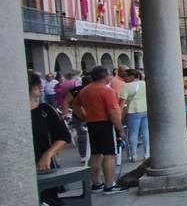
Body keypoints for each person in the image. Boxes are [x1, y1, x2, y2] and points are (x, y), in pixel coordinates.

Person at [72, 65, 126, 194]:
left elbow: (74, 105)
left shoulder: (85, 90)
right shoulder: (107, 91)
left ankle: (96, 183)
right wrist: (120, 128)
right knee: (109, 155)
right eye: (109, 74)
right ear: (104, 76)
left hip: (92, 124)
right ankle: (109, 184)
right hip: (105, 124)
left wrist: (83, 116)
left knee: (96, 154)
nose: (111, 76)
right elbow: (113, 111)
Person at [29, 72, 71, 171]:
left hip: (44, 166)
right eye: (37, 86)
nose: (41, 88)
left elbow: (64, 136)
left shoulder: (46, 110)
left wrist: (48, 154)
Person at [119, 69, 149, 161]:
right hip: (145, 109)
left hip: (133, 111)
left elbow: (122, 103)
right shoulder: (144, 83)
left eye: (126, 76)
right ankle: (147, 153)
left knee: (133, 133)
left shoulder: (127, 87)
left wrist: (120, 115)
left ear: (131, 76)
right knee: (145, 132)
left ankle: (134, 155)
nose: (124, 78)